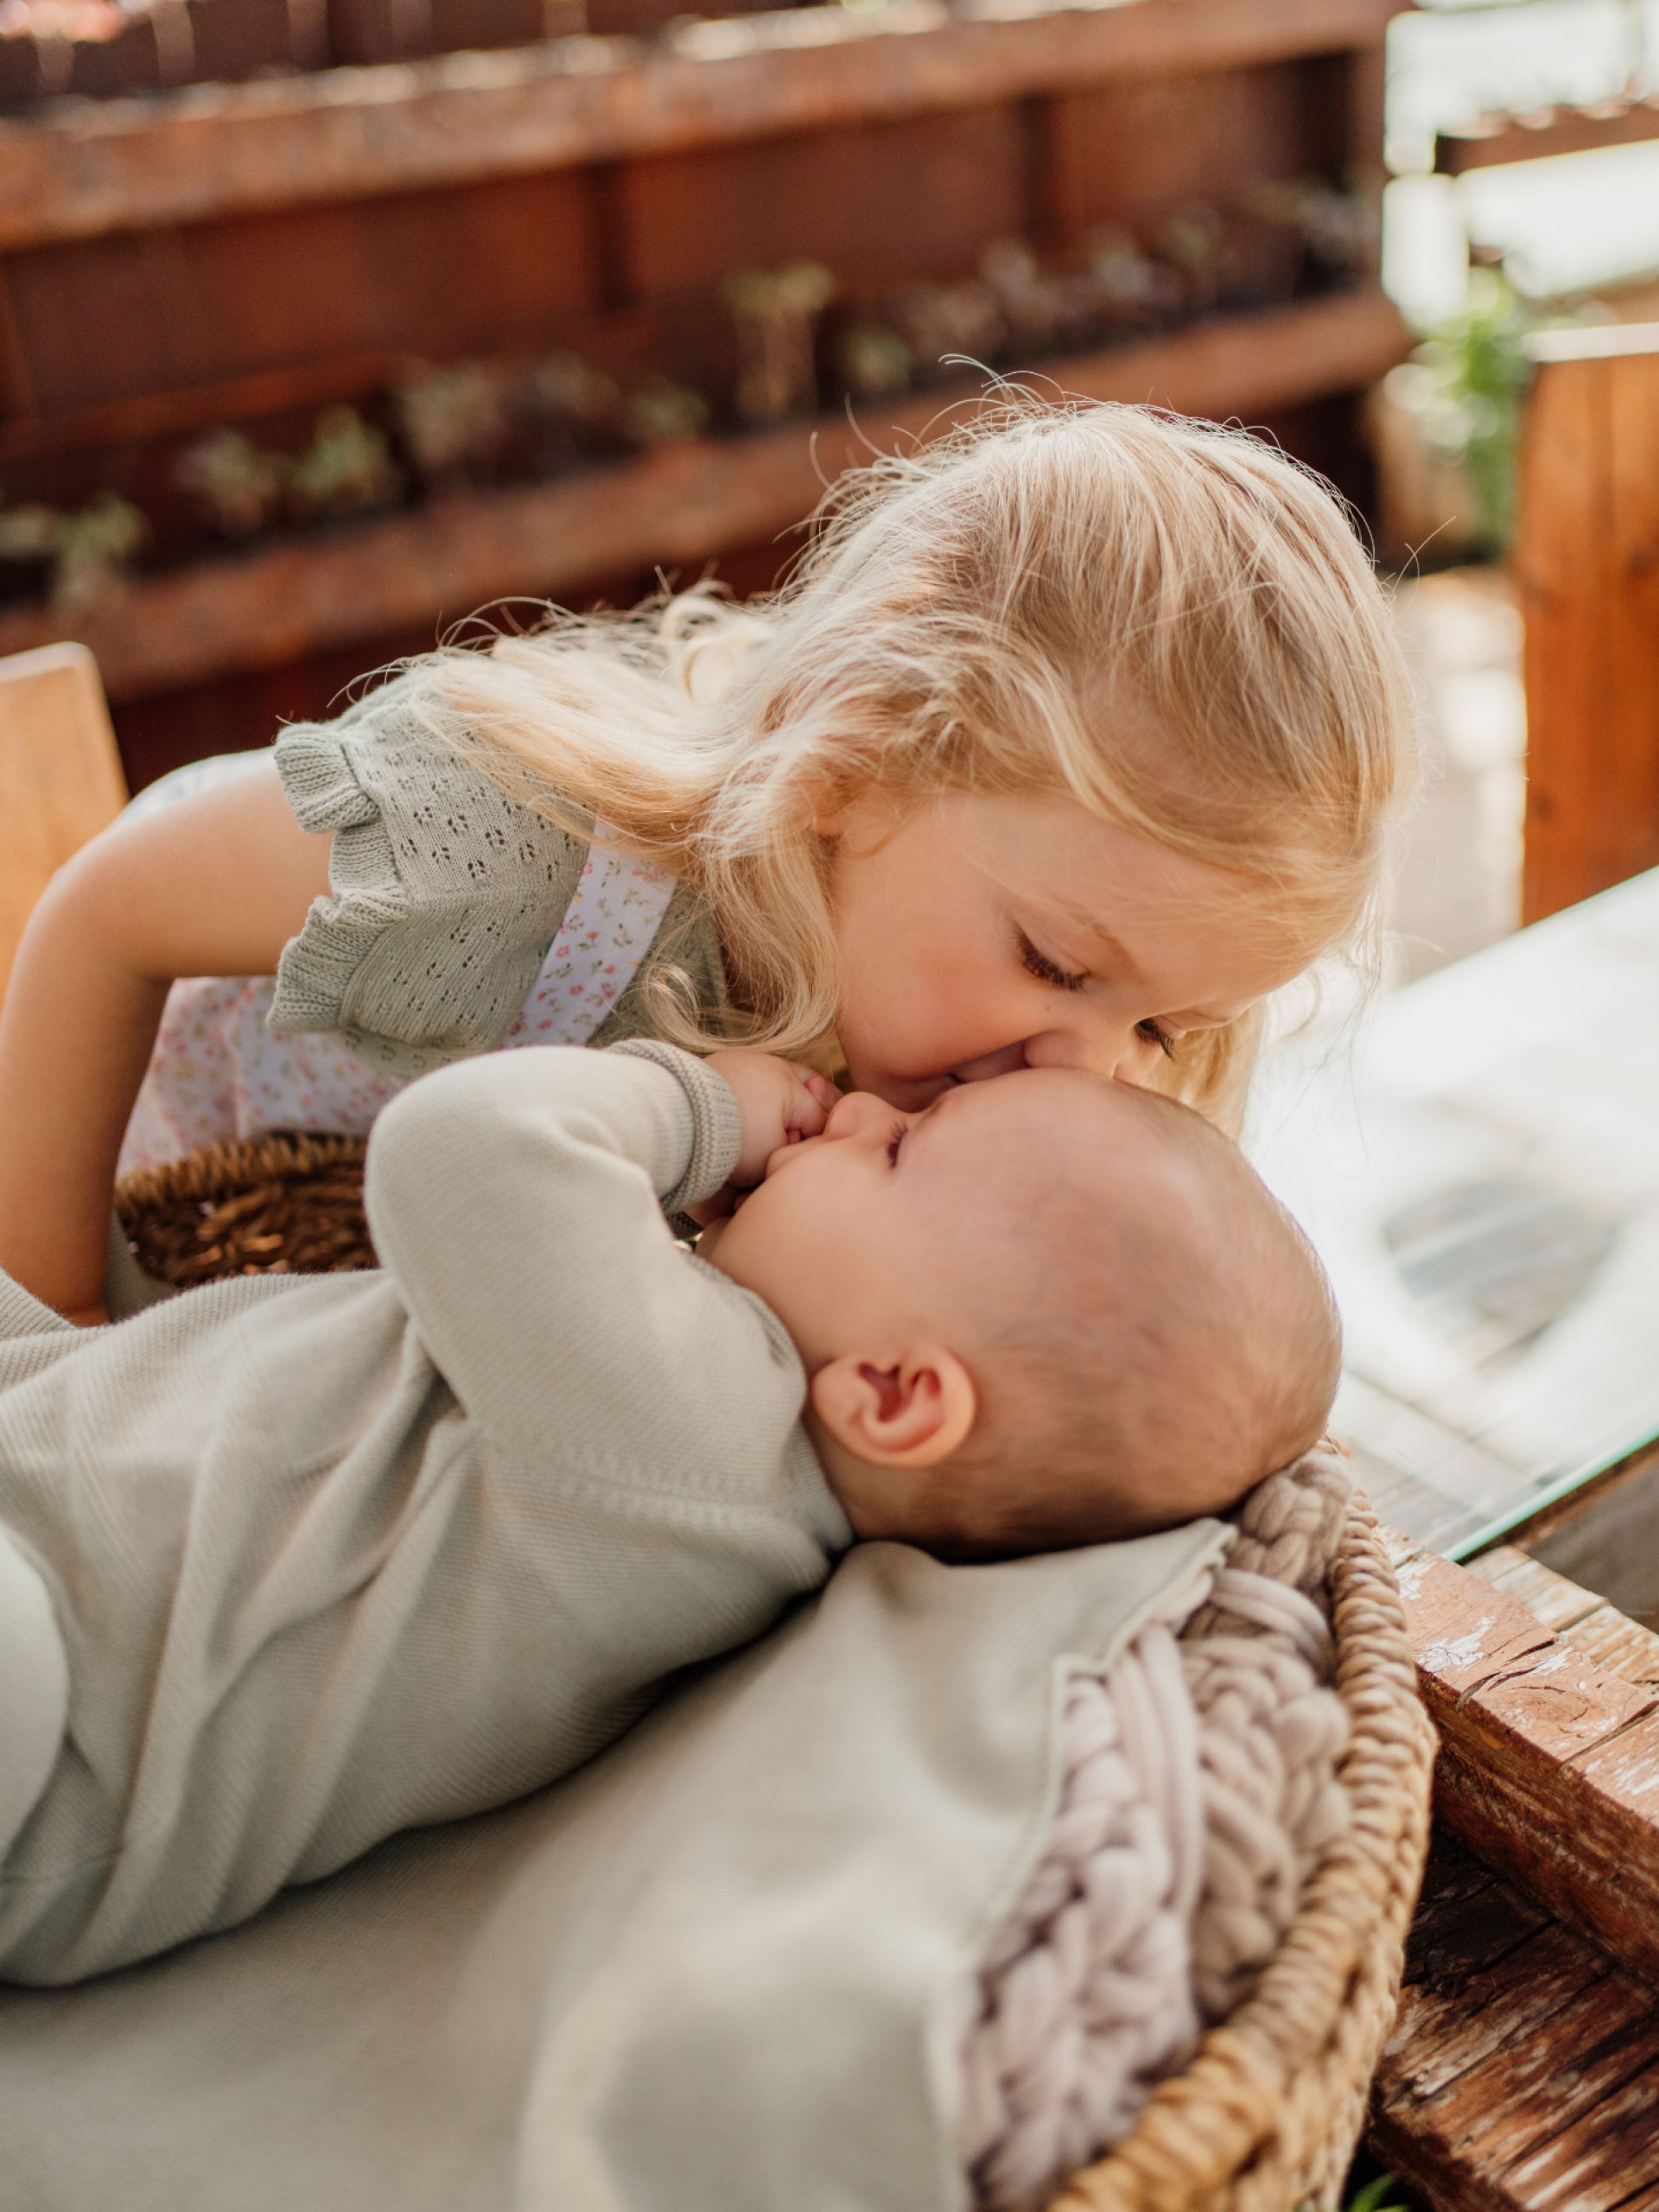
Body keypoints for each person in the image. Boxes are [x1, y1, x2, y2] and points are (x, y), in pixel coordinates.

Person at [0, 400, 1415, 1325]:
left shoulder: (966, 1039)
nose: (1088, 1072)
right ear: (851, 770)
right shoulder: (518, 860)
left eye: (1164, 1027)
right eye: (1055, 965)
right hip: (182, 1268)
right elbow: (107, 906)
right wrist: (49, 1343)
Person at [0, 1038, 1338, 1986]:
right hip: (67, 1454)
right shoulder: (723, 1448)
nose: (863, 1114)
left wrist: (703, 1107)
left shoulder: (695, 1434)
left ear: (889, 1391)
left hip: (53, 1725)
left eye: (901, 1153)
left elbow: (461, 1148)